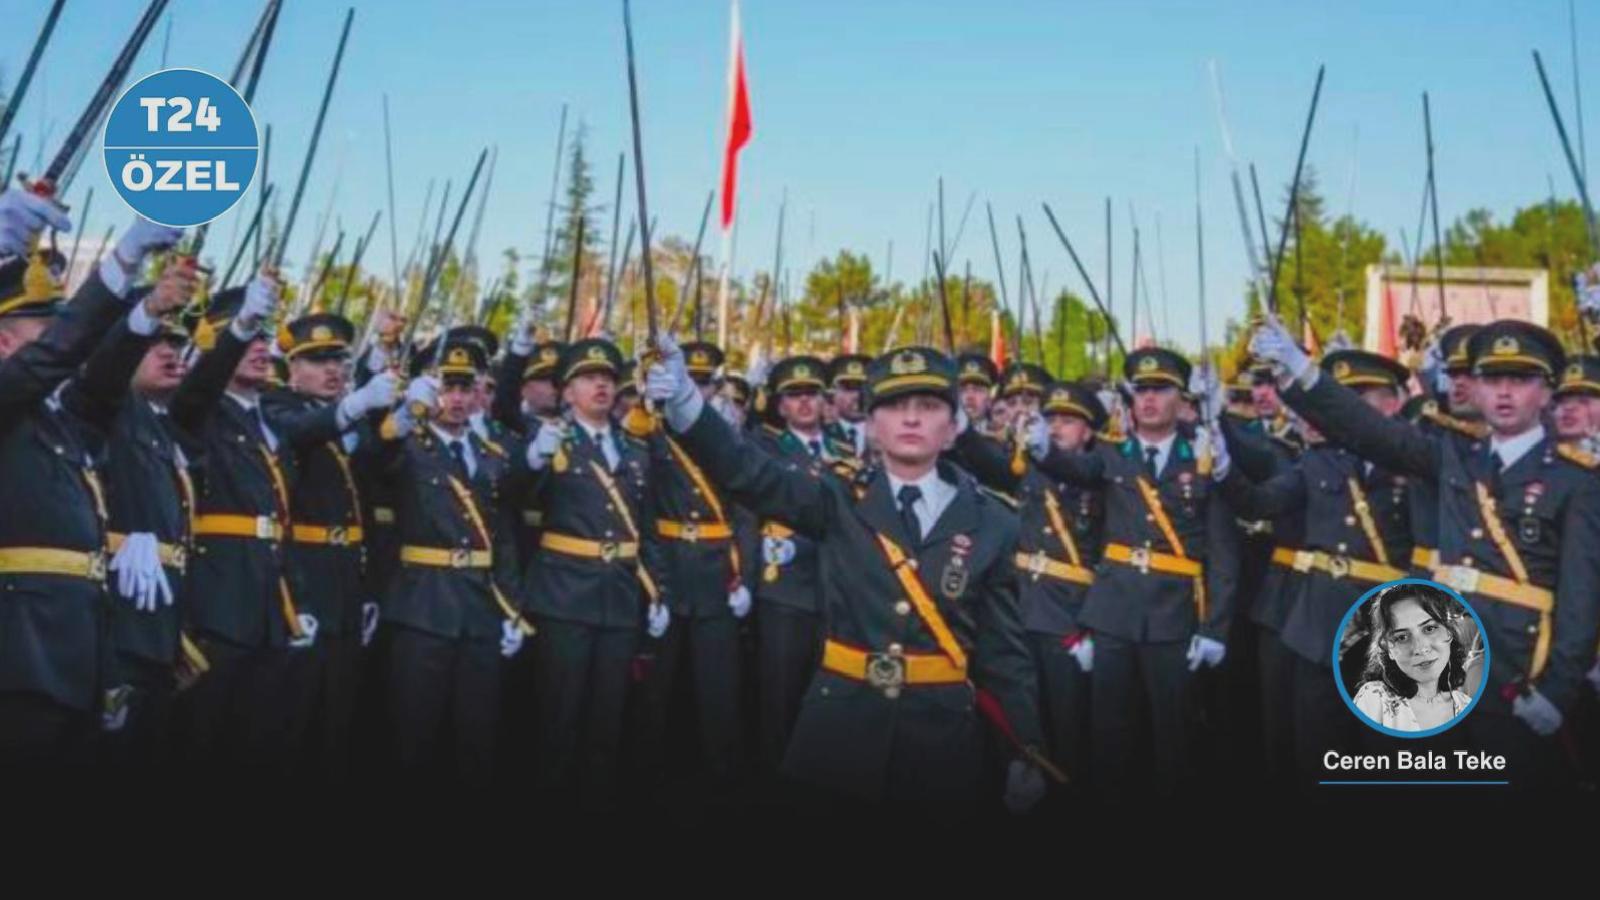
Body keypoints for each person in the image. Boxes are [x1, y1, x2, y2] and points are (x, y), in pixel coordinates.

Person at [646, 338, 1048, 820]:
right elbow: (746, 471)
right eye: (895, 406)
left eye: (928, 405)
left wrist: (1026, 748)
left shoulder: (993, 522)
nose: (912, 418)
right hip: (839, 727)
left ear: (953, 426)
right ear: (873, 426)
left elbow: (1005, 652)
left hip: (941, 733)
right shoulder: (836, 498)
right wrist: (687, 401)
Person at [1252, 314, 1600, 789]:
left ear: (1546, 391)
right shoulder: (1455, 455)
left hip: (1518, 668)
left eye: (1519, 380)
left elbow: (1582, 598)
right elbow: (1371, 430)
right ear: (1474, 389)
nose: (1503, 392)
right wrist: (1301, 371)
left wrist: (1558, 691)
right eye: (1490, 378)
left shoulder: (1576, 479)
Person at [1027, 347, 1239, 799]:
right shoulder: (1110, 454)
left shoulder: (1201, 455)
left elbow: (1222, 553)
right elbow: (1073, 467)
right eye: (1140, 389)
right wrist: (1043, 448)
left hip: (1174, 616)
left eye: (1160, 389)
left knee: (1174, 739)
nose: (1148, 399)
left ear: (1180, 397)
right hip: (1113, 616)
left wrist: (1215, 627)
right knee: (1109, 737)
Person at [518, 337, 668, 811]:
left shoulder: (635, 448)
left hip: (619, 597)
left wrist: (657, 592)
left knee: (608, 719)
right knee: (559, 718)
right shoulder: (550, 439)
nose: (601, 385)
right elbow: (513, 500)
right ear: (567, 391)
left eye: (607, 378)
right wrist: (534, 460)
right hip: (565, 595)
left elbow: (647, 529)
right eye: (587, 377)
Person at [373, 330, 529, 783]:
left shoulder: (491, 453)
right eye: (446, 386)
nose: (456, 398)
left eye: (465, 387)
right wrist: (399, 417)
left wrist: (512, 607)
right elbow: (372, 461)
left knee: (476, 737)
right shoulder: (407, 446)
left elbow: (501, 537)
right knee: (413, 737)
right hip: (423, 607)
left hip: (479, 609)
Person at [1351, 583, 1476, 732]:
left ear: (1449, 632)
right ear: (1388, 648)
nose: (1420, 648)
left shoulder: (1465, 705)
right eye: (1402, 637)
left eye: (1429, 629)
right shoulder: (1374, 699)